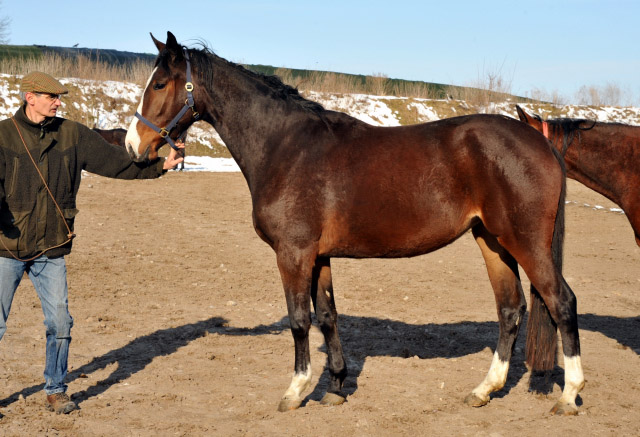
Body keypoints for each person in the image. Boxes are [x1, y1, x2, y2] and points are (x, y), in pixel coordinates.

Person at [0, 72, 184, 414]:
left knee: (60, 324)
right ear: (30, 98)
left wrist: (159, 166)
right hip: (5, 248)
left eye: (59, 97)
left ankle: (56, 389)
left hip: (51, 246)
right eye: (51, 97)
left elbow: (116, 163)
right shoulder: (3, 135)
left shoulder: (72, 134)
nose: (58, 102)